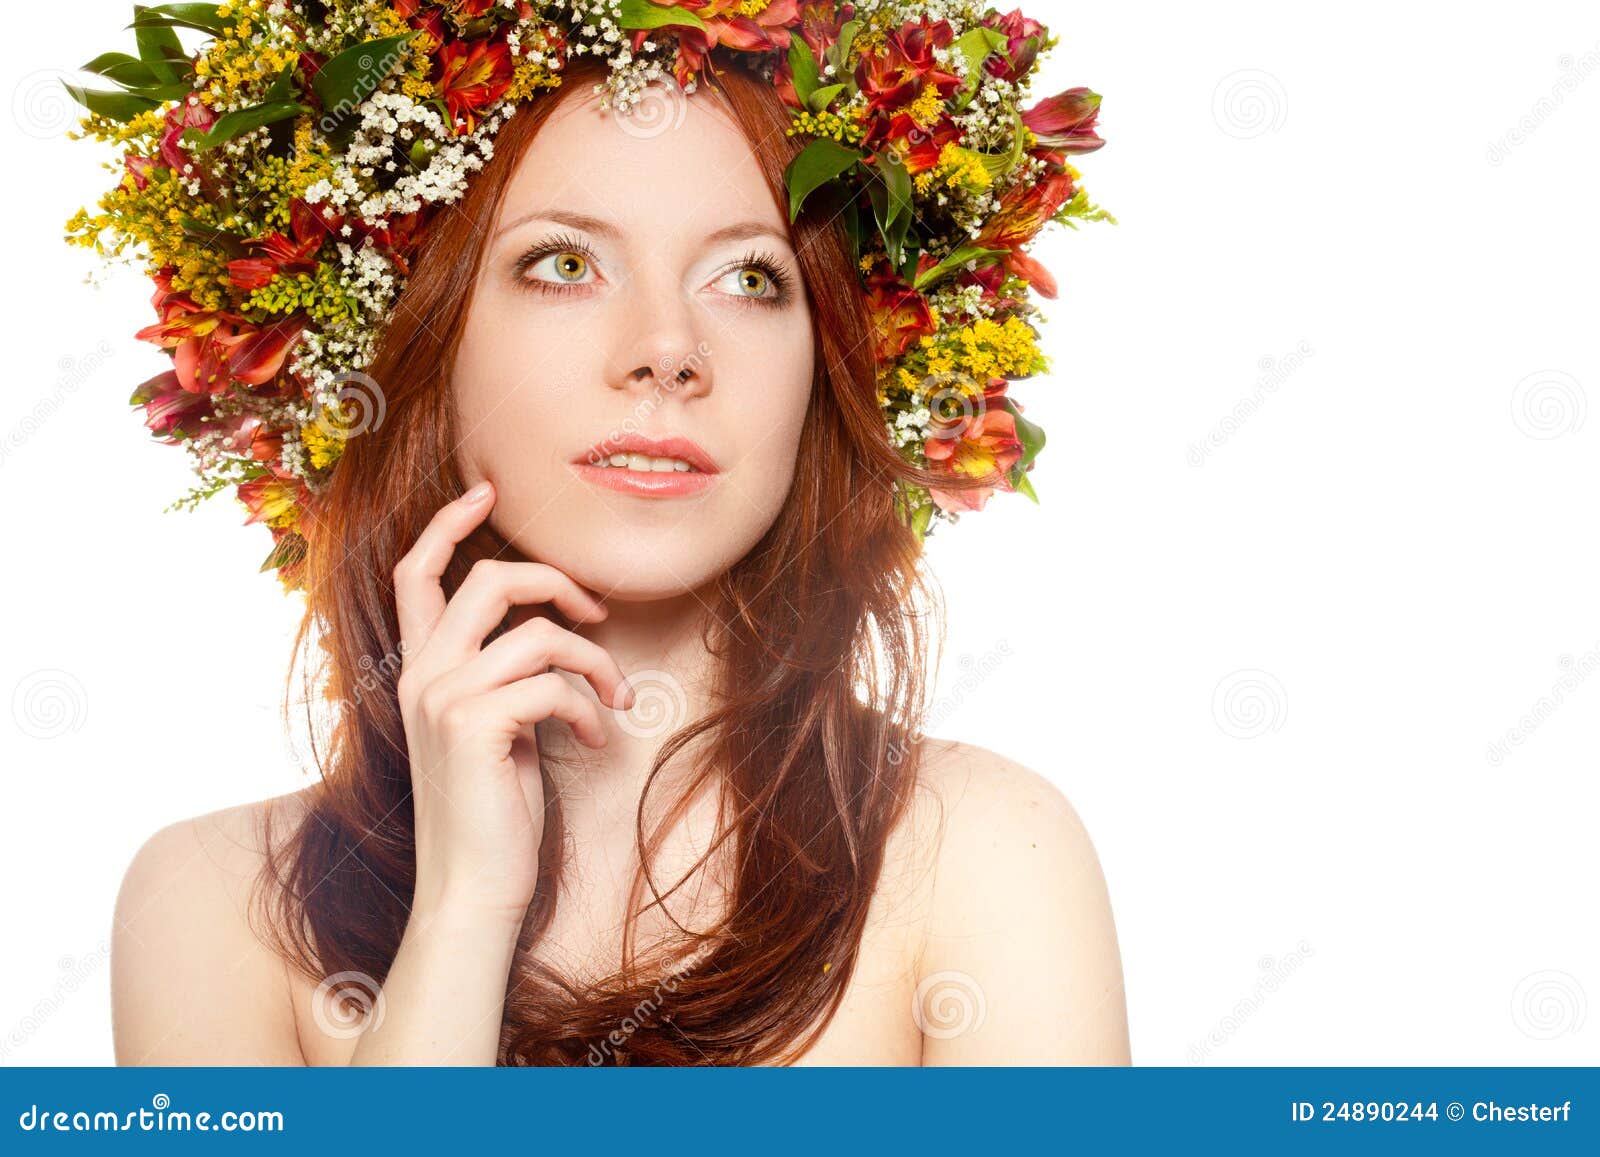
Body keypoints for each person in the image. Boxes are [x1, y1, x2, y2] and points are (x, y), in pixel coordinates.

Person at [87, 3, 1127, 1066]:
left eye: (750, 277)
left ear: (830, 370)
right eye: (566, 264)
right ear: (417, 344)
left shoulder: (989, 852)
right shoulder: (211, 903)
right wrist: (463, 907)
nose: (668, 350)